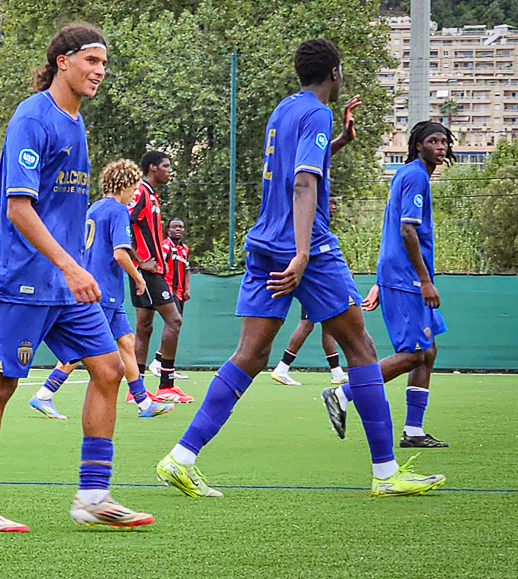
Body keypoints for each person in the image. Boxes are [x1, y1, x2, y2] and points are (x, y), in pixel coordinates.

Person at [154, 38, 445, 498]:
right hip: (303, 248)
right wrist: (305, 252)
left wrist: (342, 141)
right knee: (362, 348)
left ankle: (181, 457)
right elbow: (304, 180)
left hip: (264, 242)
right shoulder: (318, 112)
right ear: (335, 73)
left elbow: (303, 163)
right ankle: (386, 474)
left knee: (249, 355)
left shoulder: (284, 109)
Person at [0, 24, 154, 532]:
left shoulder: (76, 122)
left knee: (109, 370)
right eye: (91, 61)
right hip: (24, 277)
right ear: (63, 61)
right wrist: (71, 265)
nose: (99, 72)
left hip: (66, 285)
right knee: (0, 385)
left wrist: (74, 267)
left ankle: (93, 495)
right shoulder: (32, 117)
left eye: (104, 64)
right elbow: (19, 208)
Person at [323, 121, 453, 449]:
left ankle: (413, 431)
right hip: (408, 278)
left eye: (444, 141)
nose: (440, 146)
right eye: (433, 141)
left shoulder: (411, 174)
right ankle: (342, 392)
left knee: (428, 351)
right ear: (418, 145)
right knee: (413, 355)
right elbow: (407, 231)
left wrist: (381, 282)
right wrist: (423, 282)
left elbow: (392, 228)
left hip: (399, 275)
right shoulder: (414, 176)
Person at [28, 159, 172, 420]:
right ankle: (44, 395)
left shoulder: (93, 208)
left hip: (105, 292)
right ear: (125, 185)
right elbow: (119, 254)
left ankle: (143, 403)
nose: (133, 195)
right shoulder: (118, 211)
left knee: (127, 342)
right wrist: (139, 277)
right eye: (133, 188)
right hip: (101, 291)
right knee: (84, 349)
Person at [270, 196, 352, 386]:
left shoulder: (322, 223)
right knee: (307, 324)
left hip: (321, 280)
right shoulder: (309, 221)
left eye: (335, 204)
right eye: (330, 203)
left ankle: (337, 372)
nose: (334, 207)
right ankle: (282, 368)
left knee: (328, 326)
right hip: (313, 281)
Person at [129, 151, 191, 402]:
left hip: (148, 270)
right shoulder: (141, 193)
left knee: (144, 327)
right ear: (152, 168)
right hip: (148, 270)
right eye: (165, 166)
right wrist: (139, 261)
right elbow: (122, 222)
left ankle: (137, 390)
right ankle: (166, 385)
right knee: (174, 321)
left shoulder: (152, 196)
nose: (169, 170)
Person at [146, 218, 191, 380]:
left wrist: (187, 289)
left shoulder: (184, 249)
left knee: (174, 328)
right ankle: (163, 366)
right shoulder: (165, 247)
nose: (178, 229)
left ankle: (160, 362)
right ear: (168, 230)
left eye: (181, 227)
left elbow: (187, 270)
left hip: (179, 293)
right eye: (174, 227)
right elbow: (158, 265)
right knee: (172, 325)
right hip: (167, 291)